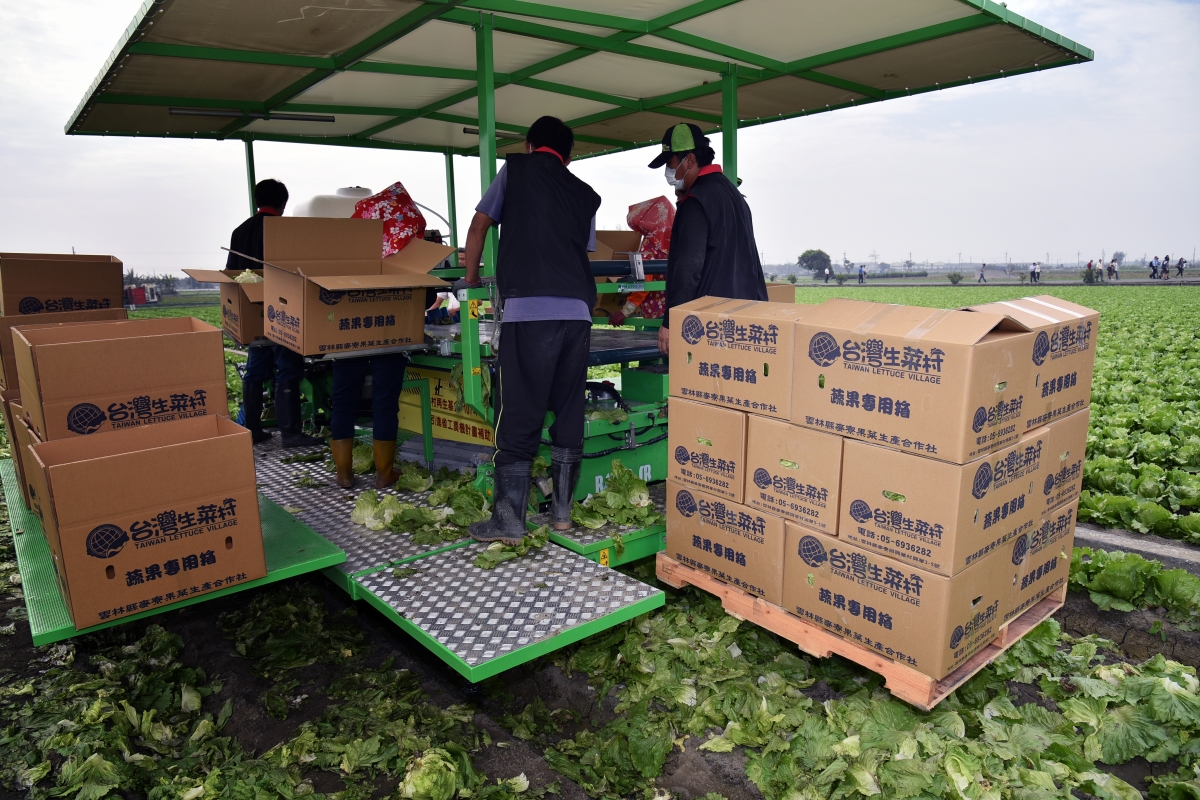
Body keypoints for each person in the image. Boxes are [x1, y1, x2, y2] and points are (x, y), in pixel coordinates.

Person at [457, 116, 601, 545]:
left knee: (519, 410)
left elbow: (480, 225)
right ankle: (561, 516)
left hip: (530, 312)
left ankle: (509, 521)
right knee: (568, 407)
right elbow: (581, 250)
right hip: (577, 313)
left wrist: (468, 281)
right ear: (569, 154)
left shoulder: (515, 169)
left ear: (530, 143)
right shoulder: (585, 194)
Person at [649, 123, 767, 356]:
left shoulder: (696, 200)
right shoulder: (734, 196)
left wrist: (670, 321)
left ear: (690, 160)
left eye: (670, 163)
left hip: (708, 324)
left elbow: (688, 267)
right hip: (744, 318)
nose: (668, 172)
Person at [226, 179, 319, 448]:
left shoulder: (239, 231)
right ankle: (291, 434)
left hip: (251, 312)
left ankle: (252, 429)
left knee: (256, 370)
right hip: (282, 310)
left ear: (257, 201)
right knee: (288, 367)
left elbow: (232, 272)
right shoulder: (284, 230)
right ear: (283, 203)